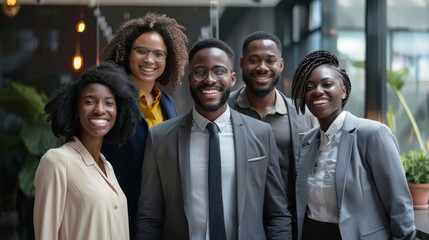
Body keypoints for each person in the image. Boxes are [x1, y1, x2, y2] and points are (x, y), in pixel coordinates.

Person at [136, 38, 292, 239]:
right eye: (200, 72)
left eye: (219, 71)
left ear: (233, 78)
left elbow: (277, 215)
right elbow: (149, 218)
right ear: (190, 78)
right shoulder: (160, 137)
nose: (209, 79)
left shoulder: (261, 133)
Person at [291, 50, 416, 240]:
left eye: (327, 84)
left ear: (343, 91)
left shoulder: (372, 134)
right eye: (309, 86)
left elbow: (399, 205)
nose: (317, 91)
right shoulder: (307, 141)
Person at [100, 12, 188, 237]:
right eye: (141, 51)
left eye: (159, 54)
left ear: (168, 59)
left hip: (160, 217)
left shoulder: (168, 103)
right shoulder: (111, 100)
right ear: (127, 53)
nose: (150, 60)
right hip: (118, 215)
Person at [33, 61, 141, 240]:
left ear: (117, 110)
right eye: (90, 101)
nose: (100, 109)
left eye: (109, 103)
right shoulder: (57, 161)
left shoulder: (107, 167)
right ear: (76, 109)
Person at [228, 31, 316, 239]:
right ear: (241, 63)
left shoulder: (303, 116)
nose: (262, 67)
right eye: (253, 60)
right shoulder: (223, 110)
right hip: (236, 224)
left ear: (281, 65)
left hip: (288, 225)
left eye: (270, 60)